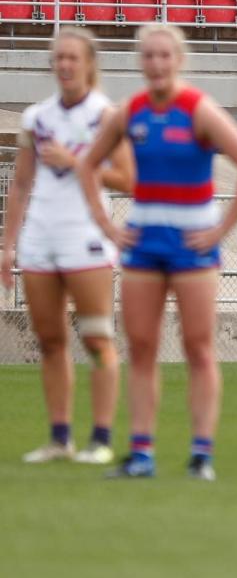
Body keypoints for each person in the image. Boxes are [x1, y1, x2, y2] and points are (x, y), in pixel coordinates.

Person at [79, 24, 237, 481]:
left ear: (179, 60)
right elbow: (86, 165)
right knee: (140, 347)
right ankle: (141, 452)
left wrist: (221, 228)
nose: (157, 64)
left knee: (197, 347)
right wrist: (106, 224)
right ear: (140, 62)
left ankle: (201, 453)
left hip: (192, 245)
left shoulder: (197, 110)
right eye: (149, 56)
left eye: (165, 55)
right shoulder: (130, 112)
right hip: (144, 243)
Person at [2, 28, 134, 464]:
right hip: (40, 237)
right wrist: (8, 245)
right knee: (50, 340)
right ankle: (60, 438)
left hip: (86, 237)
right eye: (58, 58)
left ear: (89, 64)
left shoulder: (106, 117)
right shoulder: (36, 117)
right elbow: (21, 184)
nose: (64, 65)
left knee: (97, 338)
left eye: (72, 58)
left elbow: (129, 180)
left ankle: (100, 438)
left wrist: (79, 163)